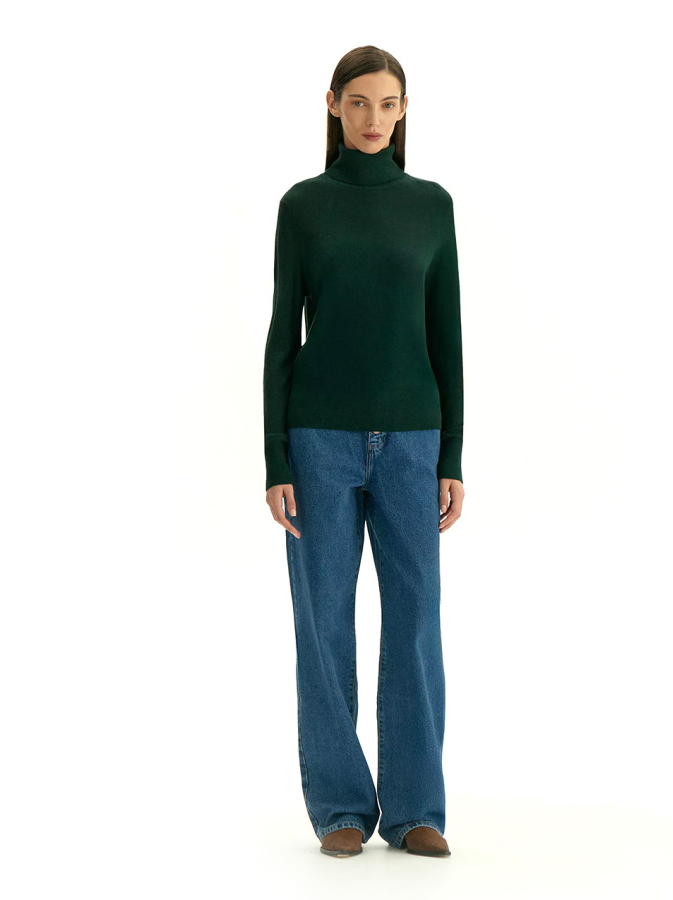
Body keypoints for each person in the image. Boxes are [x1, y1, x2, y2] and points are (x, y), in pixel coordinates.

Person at [263, 46, 464, 859]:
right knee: (323, 624)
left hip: (413, 442)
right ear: (333, 106)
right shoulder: (303, 206)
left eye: (386, 104)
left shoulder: (431, 206)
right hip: (317, 440)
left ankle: (416, 810)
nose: (372, 118)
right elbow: (283, 332)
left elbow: (446, 335)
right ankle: (340, 807)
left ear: (404, 109)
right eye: (357, 103)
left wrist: (452, 455)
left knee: (415, 621)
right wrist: (275, 459)